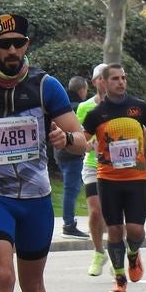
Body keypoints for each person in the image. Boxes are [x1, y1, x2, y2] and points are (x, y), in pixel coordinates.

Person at [0, 13, 87, 292]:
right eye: (3, 44)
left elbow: (81, 142)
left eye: (18, 43)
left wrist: (65, 138)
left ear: (27, 45)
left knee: (32, 285)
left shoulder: (46, 86)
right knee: (1, 275)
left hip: (35, 199)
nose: (12, 50)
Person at [81, 63, 146, 292]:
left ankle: (133, 254)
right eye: (116, 78)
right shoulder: (96, 114)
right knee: (116, 230)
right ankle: (119, 278)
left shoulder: (138, 107)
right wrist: (83, 144)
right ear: (104, 83)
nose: (121, 82)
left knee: (136, 230)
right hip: (108, 179)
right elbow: (82, 139)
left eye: (123, 78)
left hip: (136, 177)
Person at [79, 64, 109, 275]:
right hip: (92, 165)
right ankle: (99, 252)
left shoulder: (124, 106)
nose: (105, 82)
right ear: (95, 82)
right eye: (101, 78)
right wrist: (88, 144)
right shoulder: (85, 107)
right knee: (95, 211)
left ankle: (125, 249)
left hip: (117, 166)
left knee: (116, 215)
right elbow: (79, 137)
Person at [57, 75, 91, 238]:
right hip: (73, 151)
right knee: (71, 188)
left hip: (59, 151)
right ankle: (69, 224)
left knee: (69, 187)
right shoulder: (79, 107)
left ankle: (69, 222)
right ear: (82, 90)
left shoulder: (61, 105)